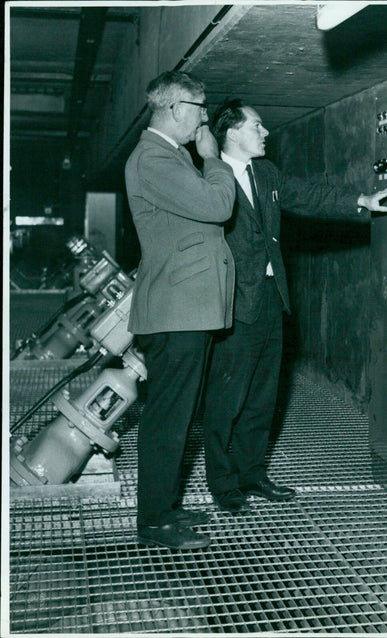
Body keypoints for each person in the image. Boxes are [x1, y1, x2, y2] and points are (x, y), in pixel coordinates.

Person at [204, 98, 387, 514]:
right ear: (233, 132)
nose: (265, 132)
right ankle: (223, 483)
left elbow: (307, 196)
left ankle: (253, 474)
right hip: (231, 305)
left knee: (263, 396)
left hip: (272, 301)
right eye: (257, 125)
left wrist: (360, 201)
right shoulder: (208, 176)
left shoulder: (267, 173)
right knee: (226, 398)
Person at [125, 71, 237, 549]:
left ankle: (165, 507)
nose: (205, 118)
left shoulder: (169, 156)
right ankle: (153, 522)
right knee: (167, 421)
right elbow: (216, 206)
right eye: (200, 107)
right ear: (174, 109)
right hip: (175, 313)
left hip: (186, 310)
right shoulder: (154, 159)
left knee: (174, 417)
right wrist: (214, 160)